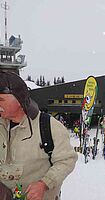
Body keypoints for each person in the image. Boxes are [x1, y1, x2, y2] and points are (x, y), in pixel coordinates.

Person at [0, 71, 78, 200]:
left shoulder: (49, 126)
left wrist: (44, 184)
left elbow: (67, 160)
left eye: (1, 100)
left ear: (19, 100)